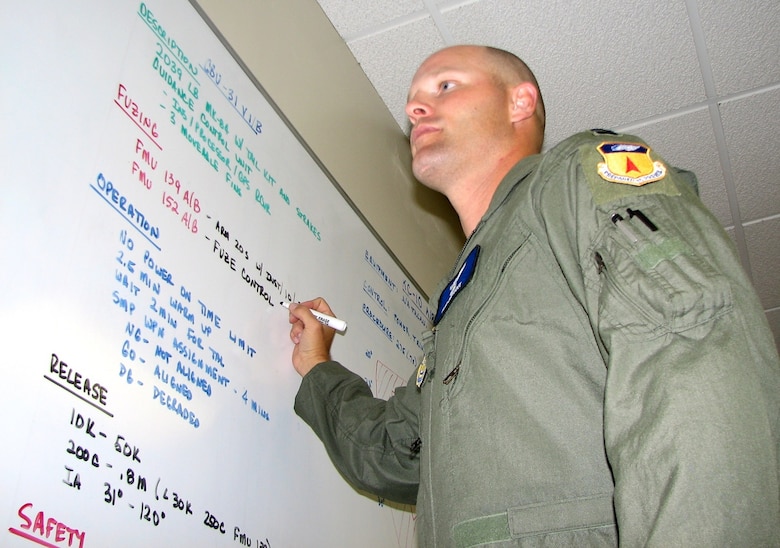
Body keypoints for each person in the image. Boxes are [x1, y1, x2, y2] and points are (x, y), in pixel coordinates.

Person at [286, 45, 780, 547]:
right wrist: (318, 367)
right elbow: (398, 451)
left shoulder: (575, 179)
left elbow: (694, 351)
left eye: (445, 86)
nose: (414, 108)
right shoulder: (459, 298)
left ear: (520, 102)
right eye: (412, 99)